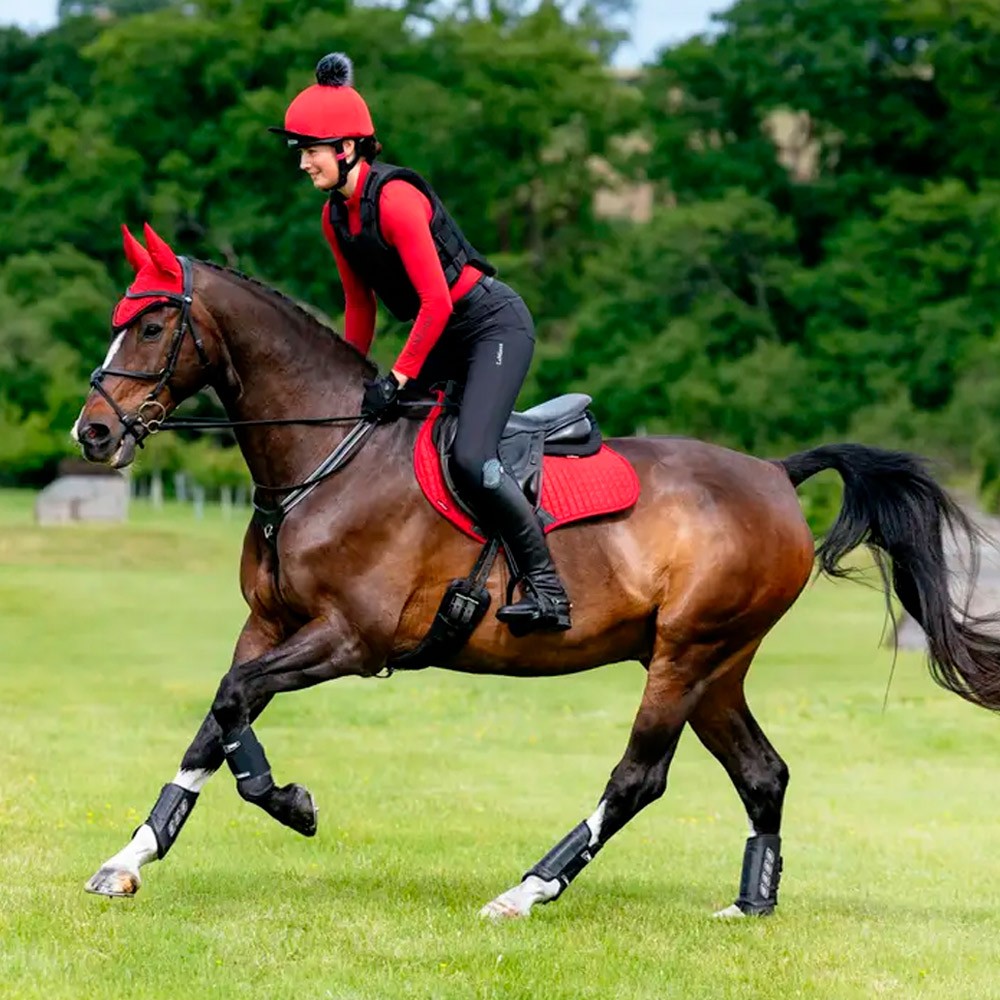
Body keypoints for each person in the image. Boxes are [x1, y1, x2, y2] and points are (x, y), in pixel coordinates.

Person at [270, 52, 571, 634]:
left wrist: (398, 377)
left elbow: (435, 301)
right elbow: (359, 307)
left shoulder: (397, 199)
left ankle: (548, 589)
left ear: (348, 148)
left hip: (491, 327)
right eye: (300, 151)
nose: (303, 162)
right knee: (388, 441)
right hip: (441, 333)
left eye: (310, 149)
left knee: (470, 455)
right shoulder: (337, 217)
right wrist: (355, 383)